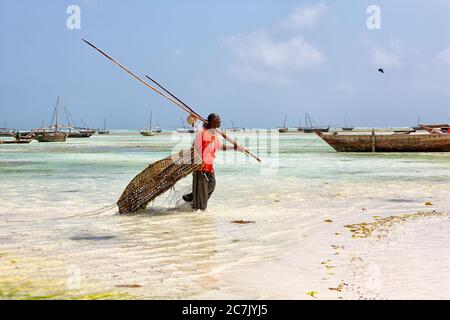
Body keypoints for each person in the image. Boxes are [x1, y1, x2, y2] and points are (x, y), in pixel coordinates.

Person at [182, 113, 244, 211]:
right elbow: (194, 146)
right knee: (201, 206)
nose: (220, 121)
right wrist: (191, 117)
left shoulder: (214, 134)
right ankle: (197, 215)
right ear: (211, 122)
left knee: (212, 185)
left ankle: (193, 197)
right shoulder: (202, 132)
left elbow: (219, 147)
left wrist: (234, 148)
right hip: (200, 167)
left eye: (219, 119)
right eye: (217, 119)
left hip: (209, 167)